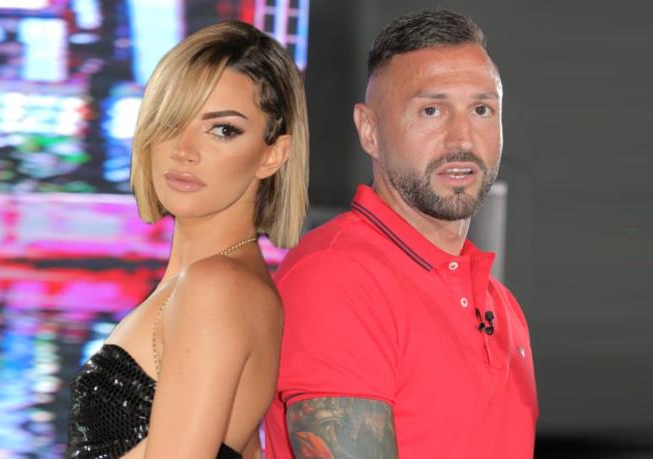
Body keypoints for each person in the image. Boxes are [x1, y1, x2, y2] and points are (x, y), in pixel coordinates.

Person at [264, 9, 538, 459]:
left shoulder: (502, 305)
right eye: (432, 110)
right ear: (369, 131)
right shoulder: (337, 278)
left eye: (482, 110)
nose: (463, 139)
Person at [65, 20, 308, 459]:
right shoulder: (224, 284)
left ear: (272, 155)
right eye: (172, 120)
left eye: (223, 130)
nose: (183, 150)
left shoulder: (215, 285)